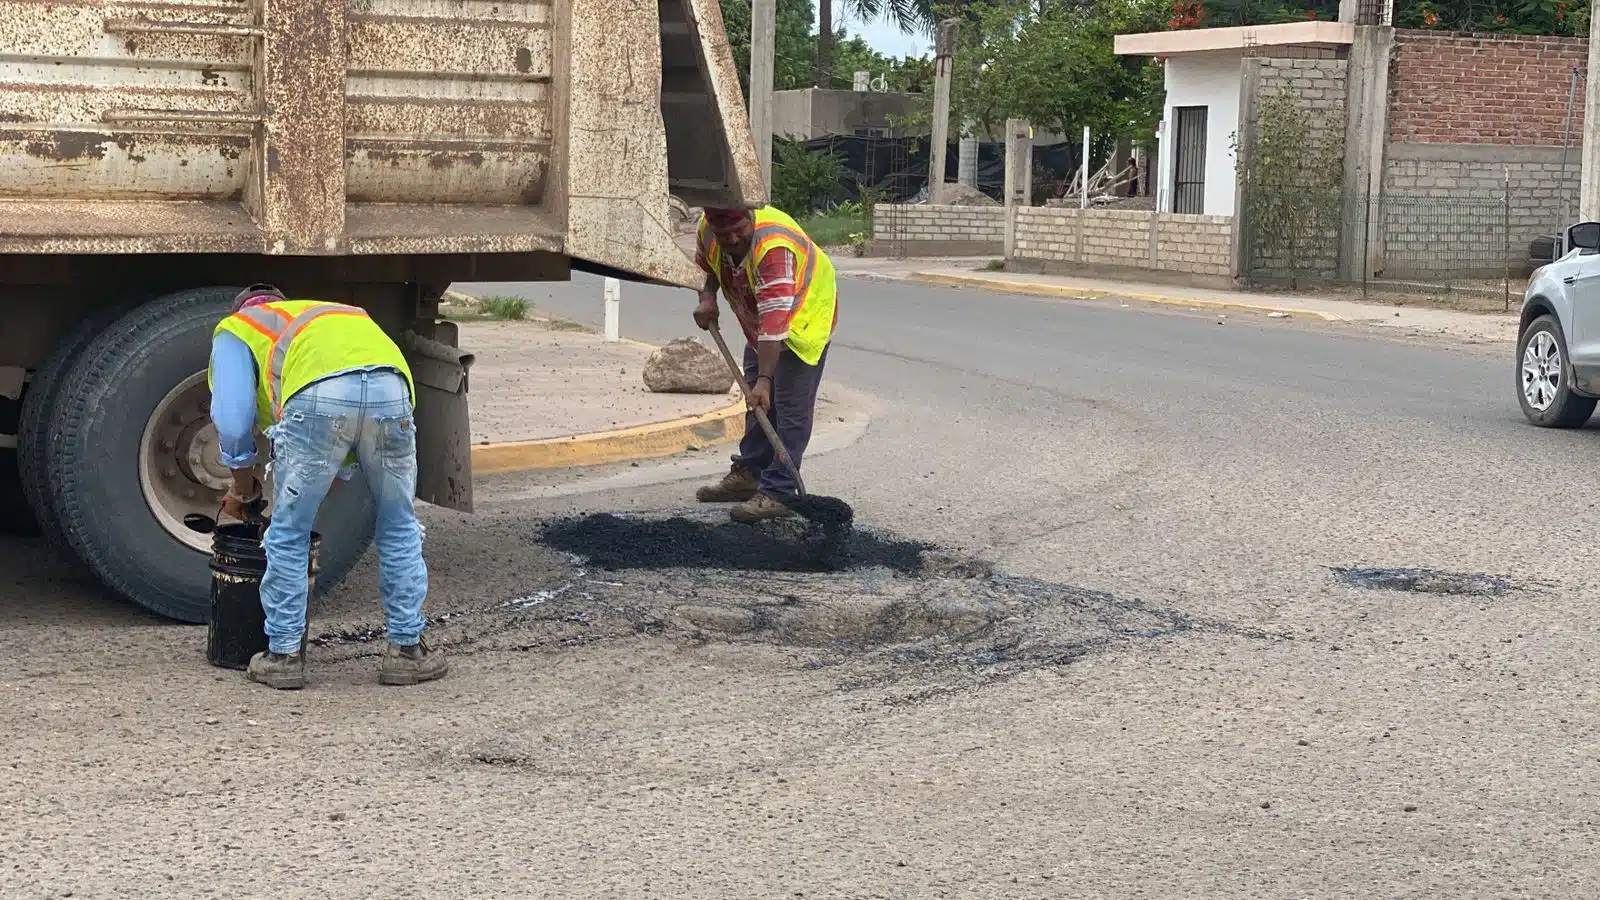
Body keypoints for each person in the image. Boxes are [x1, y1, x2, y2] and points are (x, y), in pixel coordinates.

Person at [208, 284, 445, 690]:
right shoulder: (332, 315)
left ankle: (283, 656)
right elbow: (353, 419)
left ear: (242, 309)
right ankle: (406, 651)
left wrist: (243, 488)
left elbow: (233, 420)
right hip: (393, 394)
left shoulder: (238, 327)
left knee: (287, 533)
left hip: (319, 400)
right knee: (399, 523)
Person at [691, 206, 838, 522]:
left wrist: (765, 381)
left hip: (802, 317)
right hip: (761, 321)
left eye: (738, 230)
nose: (730, 239)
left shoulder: (773, 248)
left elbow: (775, 323)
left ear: (750, 216)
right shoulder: (708, 228)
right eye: (722, 233)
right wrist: (708, 298)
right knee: (757, 404)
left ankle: (780, 491)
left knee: (788, 406)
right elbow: (706, 266)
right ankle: (751, 472)